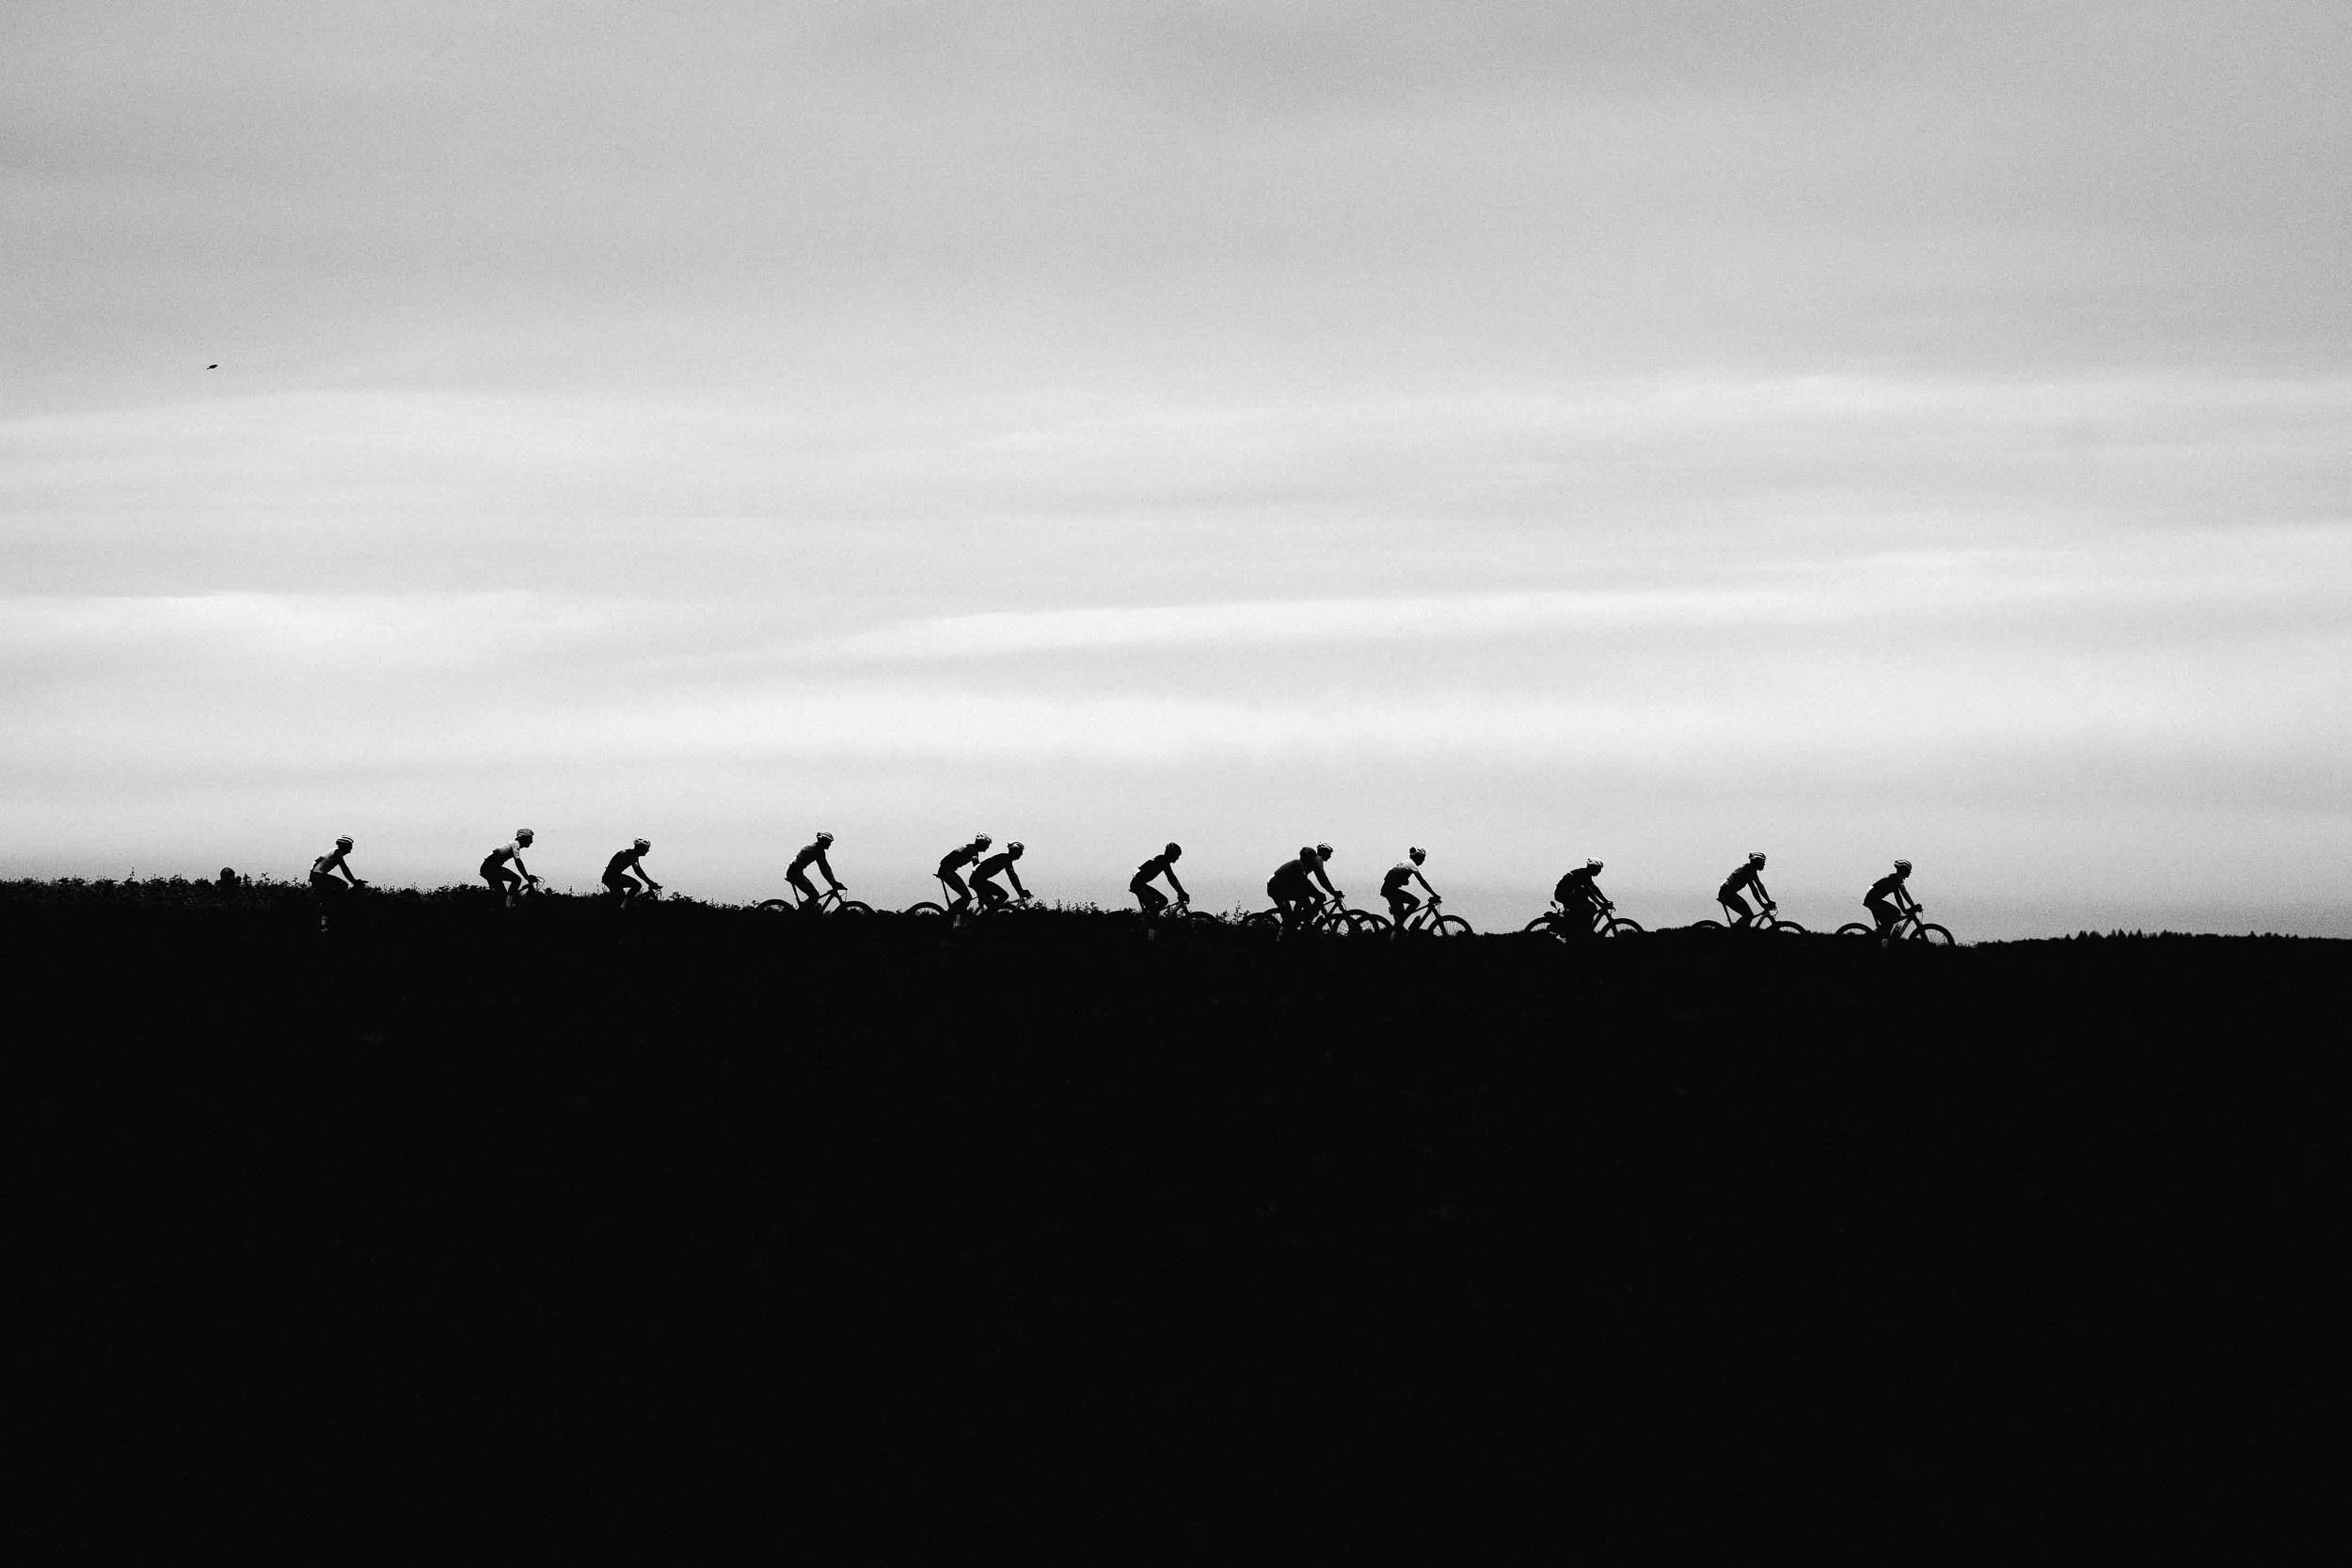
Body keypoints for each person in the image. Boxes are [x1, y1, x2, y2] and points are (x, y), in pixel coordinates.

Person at [1267, 844, 1341, 930]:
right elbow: (1318, 880)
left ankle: (1302, 924)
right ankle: (1286, 933)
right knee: (1290, 919)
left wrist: (1329, 893)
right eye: (1329, 854)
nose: (1330, 856)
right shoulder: (1300, 864)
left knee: (1304, 901)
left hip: (1281, 887)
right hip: (1276, 888)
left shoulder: (1305, 864)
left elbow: (1315, 881)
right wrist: (1331, 892)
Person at [310, 836, 364, 929]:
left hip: (317, 875)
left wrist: (311, 874)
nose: (351, 849)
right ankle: (334, 907)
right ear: (344, 846)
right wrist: (354, 882)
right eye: (350, 846)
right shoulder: (337, 852)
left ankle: (325, 915)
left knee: (329, 894)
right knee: (342, 885)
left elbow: (315, 862)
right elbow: (344, 868)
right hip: (319, 876)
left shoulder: (333, 851)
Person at [1131, 842, 1189, 927]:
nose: (1178, 858)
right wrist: (1181, 892)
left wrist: (1181, 891)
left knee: (1163, 901)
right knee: (1154, 907)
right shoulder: (1163, 860)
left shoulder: (1162, 860)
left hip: (1139, 884)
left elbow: (1172, 878)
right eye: (1177, 855)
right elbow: (1171, 878)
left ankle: (1147, 922)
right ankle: (1149, 930)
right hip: (1138, 885)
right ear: (1171, 854)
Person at [936, 832, 992, 919]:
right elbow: (977, 867)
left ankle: (953, 914)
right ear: (982, 843)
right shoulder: (973, 851)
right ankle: (950, 917)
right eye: (987, 845)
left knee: (966, 897)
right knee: (967, 897)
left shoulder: (970, 847)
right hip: (947, 871)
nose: (987, 847)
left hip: (946, 870)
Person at [482, 829, 538, 907]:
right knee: (517, 879)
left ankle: (506, 905)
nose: (531, 841)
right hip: (490, 868)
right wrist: (527, 877)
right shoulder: (515, 844)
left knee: (503, 895)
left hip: (490, 867)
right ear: (524, 838)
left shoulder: (513, 844)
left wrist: (527, 876)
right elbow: (518, 862)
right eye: (530, 839)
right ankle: (508, 906)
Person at [970, 841, 1030, 913]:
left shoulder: (1005, 858)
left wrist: (1020, 891)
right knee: (1003, 895)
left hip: (977, 880)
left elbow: (1013, 876)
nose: (1021, 854)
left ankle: (989, 913)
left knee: (994, 903)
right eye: (1020, 852)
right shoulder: (1005, 858)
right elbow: (1012, 876)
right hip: (978, 881)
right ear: (1015, 852)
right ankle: (988, 915)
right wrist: (1020, 891)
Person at [1382, 847, 1437, 927]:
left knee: (1401, 915)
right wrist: (1434, 894)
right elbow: (1422, 881)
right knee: (1415, 902)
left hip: (1389, 889)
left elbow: (1394, 875)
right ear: (1417, 857)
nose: (1423, 860)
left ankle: (1398, 926)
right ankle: (1396, 928)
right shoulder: (1412, 864)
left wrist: (1404, 881)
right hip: (1391, 891)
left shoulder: (1406, 862)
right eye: (1422, 858)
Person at [788, 832, 843, 911]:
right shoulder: (817, 850)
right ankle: (802, 915)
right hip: (795, 873)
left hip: (795, 872)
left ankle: (806, 912)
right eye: (828, 842)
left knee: (814, 897)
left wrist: (833, 882)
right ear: (823, 841)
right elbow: (825, 869)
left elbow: (826, 868)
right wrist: (833, 883)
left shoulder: (816, 848)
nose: (829, 845)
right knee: (814, 896)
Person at [1718, 851, 1774, 928]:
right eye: (1762, 862)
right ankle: (1735, 933)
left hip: (1728, 892)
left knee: (1748, 915)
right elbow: (1754, 890)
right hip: (1727, 893)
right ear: (1757, 863)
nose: (1764, 864)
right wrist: (1762, 904)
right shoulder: (1747, 870)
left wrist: (1768, 901)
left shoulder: (1751, 869)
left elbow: (1760, 886)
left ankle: (1739, 931)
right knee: (1748, 915)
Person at [1866, 859, 1918, 939]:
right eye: (1908, 871)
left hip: (1873, 900)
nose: (1909, 873)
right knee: (1891, 920)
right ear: (1903, 870)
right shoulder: (1894, 880)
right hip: (1872, 901)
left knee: (1894, 916)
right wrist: (1905, 909)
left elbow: (1904, 893)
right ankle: (1882, 941)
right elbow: (1898, 897)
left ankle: (1880, 936)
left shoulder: (1896, 879)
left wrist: (1912, 906)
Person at [1554, 858, 1607, 934]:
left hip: (1569, 894)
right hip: (1562, 894)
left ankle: (1581, 929)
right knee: (1587, 907)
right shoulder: (1582, 874)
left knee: (1589, 906)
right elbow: (1589, 892)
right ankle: (1573, 932)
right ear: (1592, 868)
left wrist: (1605, 900)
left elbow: (1594, 889)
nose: (1600, 871)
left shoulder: (1586, 874)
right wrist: (1601, 903)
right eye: (1598, 869)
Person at [603, 838, 661, 904]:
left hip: (611, 877)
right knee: (637, 885)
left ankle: (624, 906)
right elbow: (638, 871)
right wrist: (650, 883)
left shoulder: (630, 853)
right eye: (646, 849)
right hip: (612, 877)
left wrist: (650, 882)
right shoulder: (631, 855)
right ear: (640, 848)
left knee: (621, 899)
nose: (647, 851)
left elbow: (638, 870)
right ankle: (625, 906)